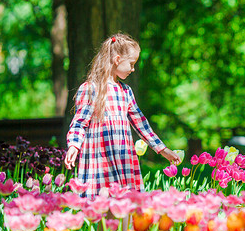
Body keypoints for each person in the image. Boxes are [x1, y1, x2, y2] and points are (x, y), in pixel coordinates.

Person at [64, 33, 181, 199]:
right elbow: (79, 123)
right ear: (117, 59)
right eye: (131, 64)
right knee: (102, 205)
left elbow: (141, 124)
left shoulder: (126, 91)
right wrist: (74, 145)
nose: (133, 69)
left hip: (122, 159)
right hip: (100, 160)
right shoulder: (91, 89)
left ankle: (125, 227)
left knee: (124, 202)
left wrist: (162, 149)